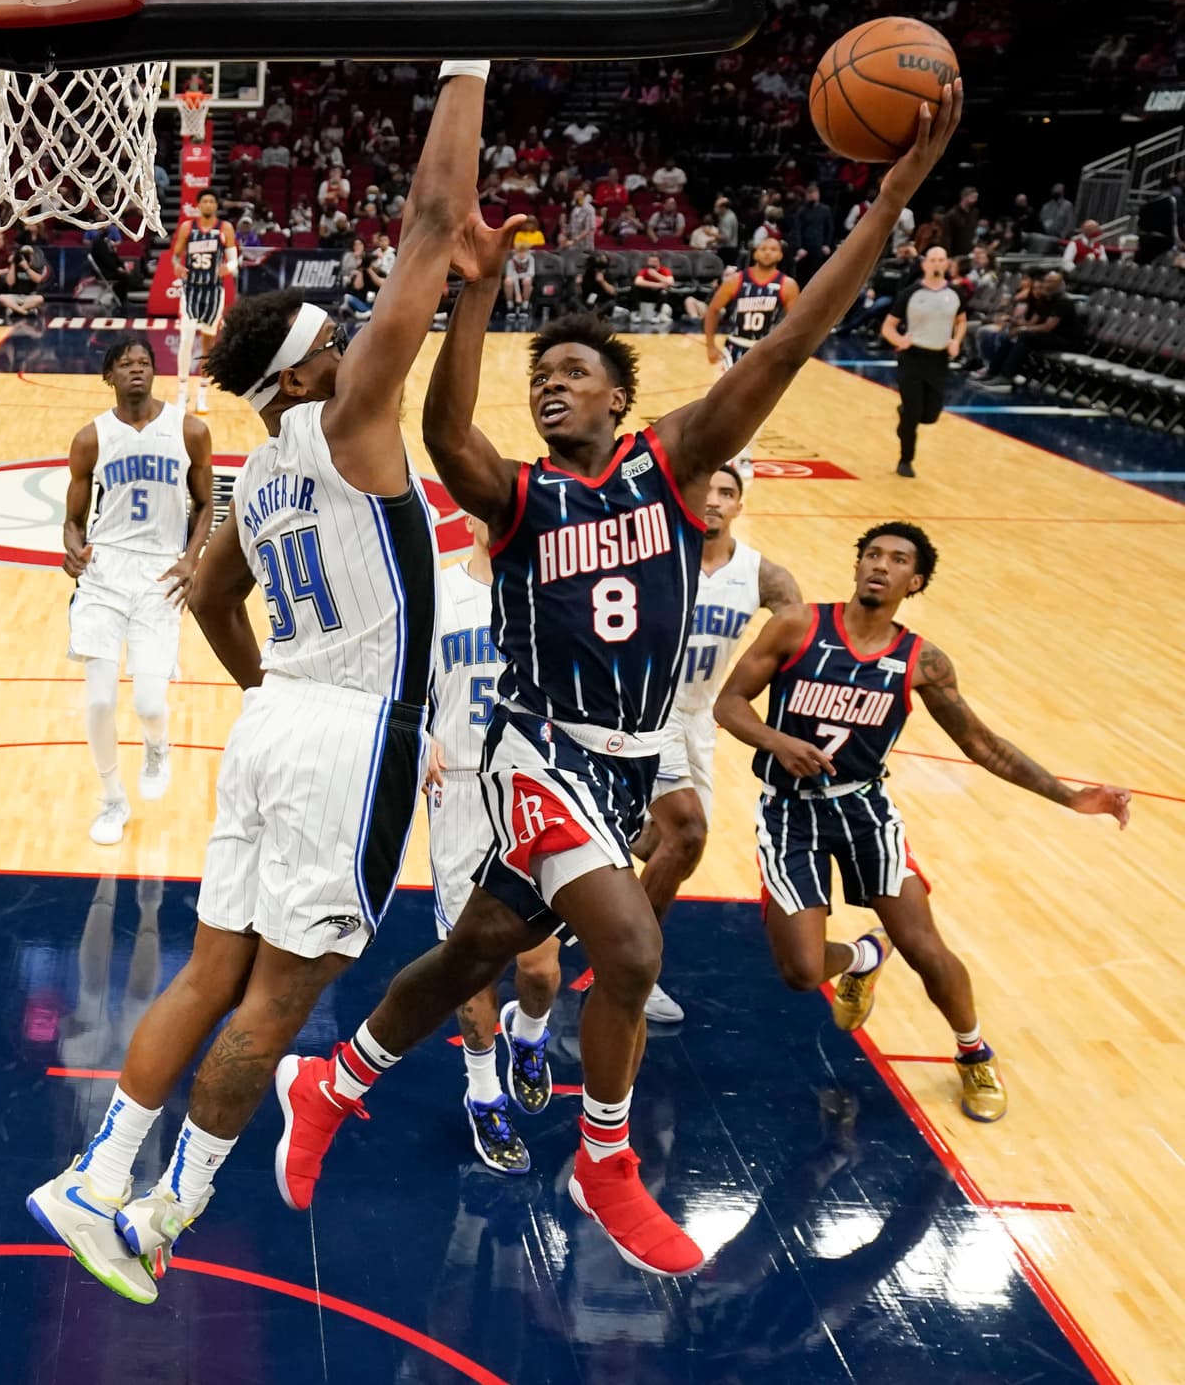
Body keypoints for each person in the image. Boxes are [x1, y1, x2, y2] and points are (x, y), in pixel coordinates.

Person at [271, 83, 967, 1279]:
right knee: (633, 951)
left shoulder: (674, 462)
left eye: (577, 371)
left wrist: (892, 198)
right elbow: (448, 439)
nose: (554, 384)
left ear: (619, 398)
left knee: (475, 950)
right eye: (543, 375)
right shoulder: (523, 495)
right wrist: (476, 293)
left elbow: (790, 339)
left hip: (631, 763)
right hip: (536, 750)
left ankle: (329, 1082)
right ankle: (604, 1162)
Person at [26, 58, 497, 1305]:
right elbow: (431, 223)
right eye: (341, 343)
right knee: (283, 995)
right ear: (302, 371)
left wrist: (273, 700)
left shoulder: (264, 469)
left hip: (284, 717)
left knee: (210, 972)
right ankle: (164, 1209)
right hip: (344, 733)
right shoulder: (344, 425)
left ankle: (97, 1178)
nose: (360, 348)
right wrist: (468, 60)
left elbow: (210, 592)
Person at [713, 522, 1130, 1123]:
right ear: (857, 566)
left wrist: (1070, 797)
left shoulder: (922, 661)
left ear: (916, 581)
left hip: (864, 812)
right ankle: (861, 959)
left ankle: (973, 1052)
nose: (880, 566)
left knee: (923, 946)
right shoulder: (799, 626)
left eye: (897, 560)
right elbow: (730, 704)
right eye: (872, 555)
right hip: (789, 813)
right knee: (802, 972)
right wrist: (777, 740)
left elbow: (983, 745)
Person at [635, 463, 802, 1022]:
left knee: (659, 845)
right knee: (686, 837)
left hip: (699, 718)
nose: (713, 500)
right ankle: (635, 967)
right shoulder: (652, 554)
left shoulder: (760, 574)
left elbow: (799, 626)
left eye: (726, 493)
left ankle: (589, 909)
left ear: (739, 505)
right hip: (638, 712)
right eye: (704, 490)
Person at [428, 516, 563, 1172]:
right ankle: (483, 1093)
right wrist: (418, 734)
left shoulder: (549, 591)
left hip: (534, 792)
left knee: (539, 969)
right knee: (470, 961)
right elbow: (402, 686)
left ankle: (530, 1033)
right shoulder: (437, 591)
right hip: (458, 792)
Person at [59, 338, 213, 845]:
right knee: (100, 703)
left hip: (159, 577)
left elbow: (206, 506)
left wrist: (191, 560)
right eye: (125, 365)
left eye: (144, 363)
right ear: (110, 376)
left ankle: (157, 745)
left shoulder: (190, 430)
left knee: (149, 702)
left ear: (156, 371)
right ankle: (111, 800)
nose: (136, 371)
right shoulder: (91, 438)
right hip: (105, 574)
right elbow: (73, 521)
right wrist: (72, 551)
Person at [880, 245, 965, 477]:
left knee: (930, 415)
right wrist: (899, 340)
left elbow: (961, 321)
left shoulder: (956, 293)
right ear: (924, 264)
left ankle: (905, 413)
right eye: (933, 259)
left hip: (938, 360)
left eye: (941, 259)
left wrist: (956, 341)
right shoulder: (910, 293)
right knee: (914, 412)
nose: (937, 263)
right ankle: (906, 460)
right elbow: (888, 327)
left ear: (947, 263)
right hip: (913, 358)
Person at [171, 189, 238, 414]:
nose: (208, 204)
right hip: (191, 290)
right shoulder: (187, 228)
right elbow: (174, 255)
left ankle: (202, 394)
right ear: (198, 205)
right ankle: (182, 393)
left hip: (213, 292)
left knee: (209, 343)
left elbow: (234, 262)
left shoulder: (225, 228)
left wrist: (226, 268)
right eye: (205, 201)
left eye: (212, 201)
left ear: (216, 205)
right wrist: (177, 266)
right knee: (186, 340)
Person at [703, 237, 800, 369]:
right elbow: (713, 310)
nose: (767, 253)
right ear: (755, 254)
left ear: (780, 255)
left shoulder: (788, 285)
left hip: (768, 349)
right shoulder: (735, 280)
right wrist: (710, 346)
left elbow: (795, 324)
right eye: (763, 249)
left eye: (773, 249)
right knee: (731, 389)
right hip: (735, 346)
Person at [978, 269, 1078, 390]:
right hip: (1045, 336)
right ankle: (992, 372)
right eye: (1046, 281)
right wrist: (1016, 324)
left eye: (1050, 281)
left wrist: (1023, 329)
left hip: (1063, 340)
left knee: (1025, 336)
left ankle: (1006, 377)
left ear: (1060, 284)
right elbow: (1032, 323)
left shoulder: (1064, 301)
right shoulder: (1046, 300)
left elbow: (1047, 327)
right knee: (1011, 335)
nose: (1046, 284)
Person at [0, 242, 47, 321]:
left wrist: (27, 268)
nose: (25, 257)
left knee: (40, 299)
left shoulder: (35, 265)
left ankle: (16, 310)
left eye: (28, 255)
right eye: (23, 255)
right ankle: (24, 311)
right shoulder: (15, 265)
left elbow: (38, 279)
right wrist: (13, 263)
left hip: (30, 296)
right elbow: (10, 283)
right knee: (1, 297)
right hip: (15, 296)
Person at [502, 236, 535, 323]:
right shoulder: (511, 261)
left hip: (525, 280)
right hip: (514, 281)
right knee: (508, 281)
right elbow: (509, 274)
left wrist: (519, 276)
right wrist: (517, 294)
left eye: (523, 252)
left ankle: (525, 306)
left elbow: (531, 273)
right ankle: (510, 306)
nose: (521, 254)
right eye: (519, 252)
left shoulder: (531, 259)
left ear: (527, 252)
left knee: (527, 280)